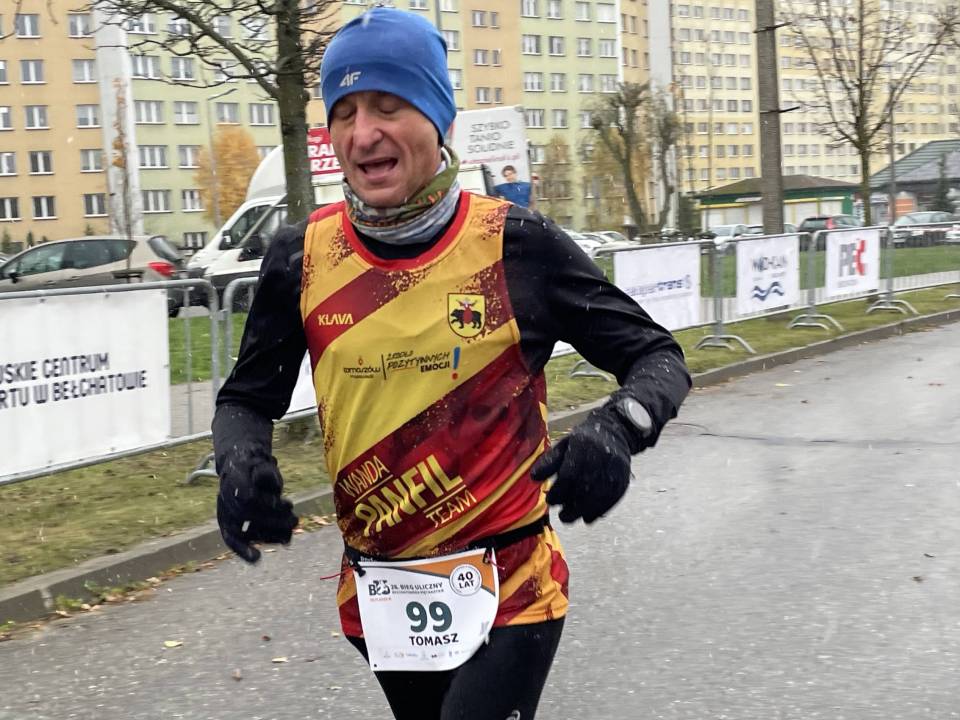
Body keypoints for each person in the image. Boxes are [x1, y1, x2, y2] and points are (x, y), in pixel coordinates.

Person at [212, 7, 690, 719]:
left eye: (388, 106)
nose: (362, 133)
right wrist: (239, 464)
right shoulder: (301, 255)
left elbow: (656, 356)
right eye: (343, 112)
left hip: (510, 583)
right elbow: (247, 398)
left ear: (437, 118)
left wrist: (618, 430)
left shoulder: (514, 244)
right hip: (380, 591)